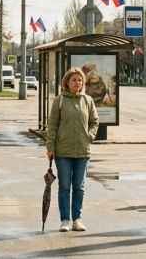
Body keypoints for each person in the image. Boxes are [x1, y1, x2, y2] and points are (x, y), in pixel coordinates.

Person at [46, 67, 99, 233]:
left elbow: (94, 122)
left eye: (80, 80)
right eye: (74, 80)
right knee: (64, 187)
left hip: (83, 151)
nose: (78, 83)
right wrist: (50, 147)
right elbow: (53, 125)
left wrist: (89, 136)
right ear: (67, 82)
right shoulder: (59, 100)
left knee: (79, 186)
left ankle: (77, 219)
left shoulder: (88, 101)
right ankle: (65, 220)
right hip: (63, 151)